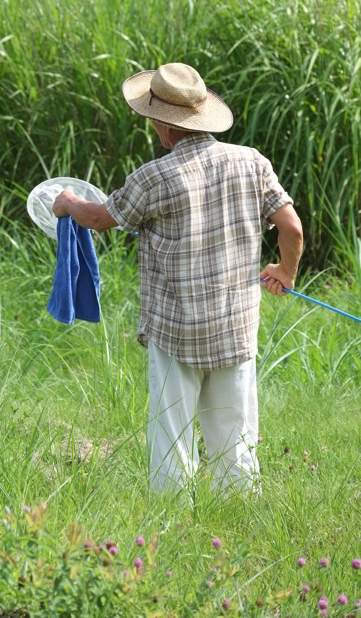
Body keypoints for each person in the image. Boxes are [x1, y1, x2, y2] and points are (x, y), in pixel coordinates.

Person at [52, 62, 303, 492]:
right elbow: (292, 227)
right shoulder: (252, 162)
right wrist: (286, 272)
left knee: (172, 432)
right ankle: (239, 513)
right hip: (235, 326)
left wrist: (66, 202)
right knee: (236, 434)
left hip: (177, 329)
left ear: (161, 125)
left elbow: (97, 218)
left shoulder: (154, 177)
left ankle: (172, 518)